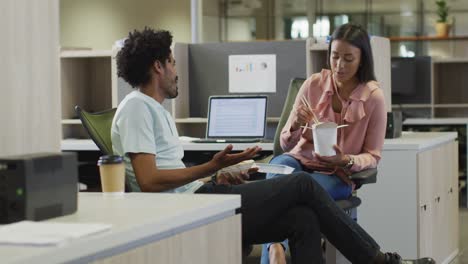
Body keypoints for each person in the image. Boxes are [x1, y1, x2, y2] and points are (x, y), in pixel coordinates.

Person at [111, 27, 435, 264]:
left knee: (304, 218)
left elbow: (166, 175)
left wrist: (216, 176)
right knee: (302, 184)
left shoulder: (152, 108)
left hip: (197, 198)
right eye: (172, 63)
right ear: (158, 66)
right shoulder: (138, 106)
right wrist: (213, 167)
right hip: (190, 208)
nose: (175, 72)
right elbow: (150, 181)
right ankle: (380, 262)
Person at [261, 23, 387, 263]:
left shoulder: (373, 98)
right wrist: (296, 125)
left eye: (348, 58)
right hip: (298, 160)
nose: (339, 65)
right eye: (335, 56)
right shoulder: (313, 85)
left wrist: (346, 160)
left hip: (336, 173)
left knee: (299, 199)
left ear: (362, 60)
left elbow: (373, 156)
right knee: (278, 167)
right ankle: (276, 246)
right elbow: (286, 145)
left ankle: (274, 246)